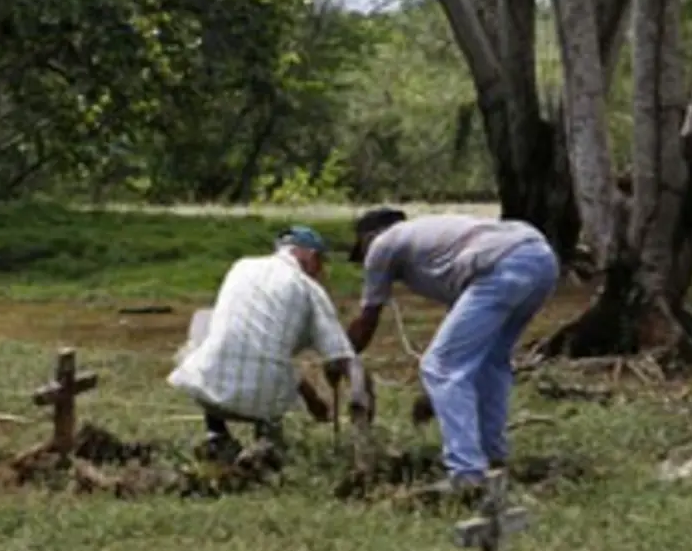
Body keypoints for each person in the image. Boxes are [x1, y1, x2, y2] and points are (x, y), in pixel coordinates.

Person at [345, 208, 558, 498]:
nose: (365, 262)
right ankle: (493, 458)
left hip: (501, 264)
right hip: (540, 259)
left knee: (440, 366)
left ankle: (467, 474)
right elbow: (464, 342)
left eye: (361, 252)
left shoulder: (383, 244)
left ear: (368, 237)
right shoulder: (433, 243)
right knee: (489, 362)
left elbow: (367, 322)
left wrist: (339, 355)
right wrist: (432, 395)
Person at [168, 225, 369, 464]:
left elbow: (253, 341)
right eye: (321, 262)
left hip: (206, 389)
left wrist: (312, 398)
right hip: (264, 404)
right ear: (311, 257)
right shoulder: (310, 290)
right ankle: (267, 444)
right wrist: (358, 394)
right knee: (270, 368)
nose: (321, 270)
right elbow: (343, 357)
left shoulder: (241, 267)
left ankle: (216, 433)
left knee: (204, 320)